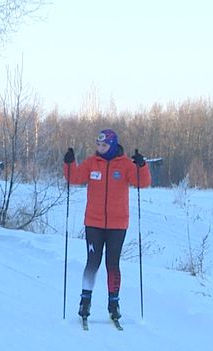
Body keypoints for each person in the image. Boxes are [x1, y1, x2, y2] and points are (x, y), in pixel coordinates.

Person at [63, 129, 151, 321]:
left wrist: (141, 166)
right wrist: (69, 163)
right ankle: (85, 301)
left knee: (113, 263)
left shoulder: (126, 165)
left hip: (117, 224)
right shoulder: (92, 163)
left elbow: (142, 183)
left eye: (104, 145)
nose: (100, 149)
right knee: (93, 262)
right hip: (93, 222)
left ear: (112, 145)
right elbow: (75, 178)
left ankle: (114, 303)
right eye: (98, 145)